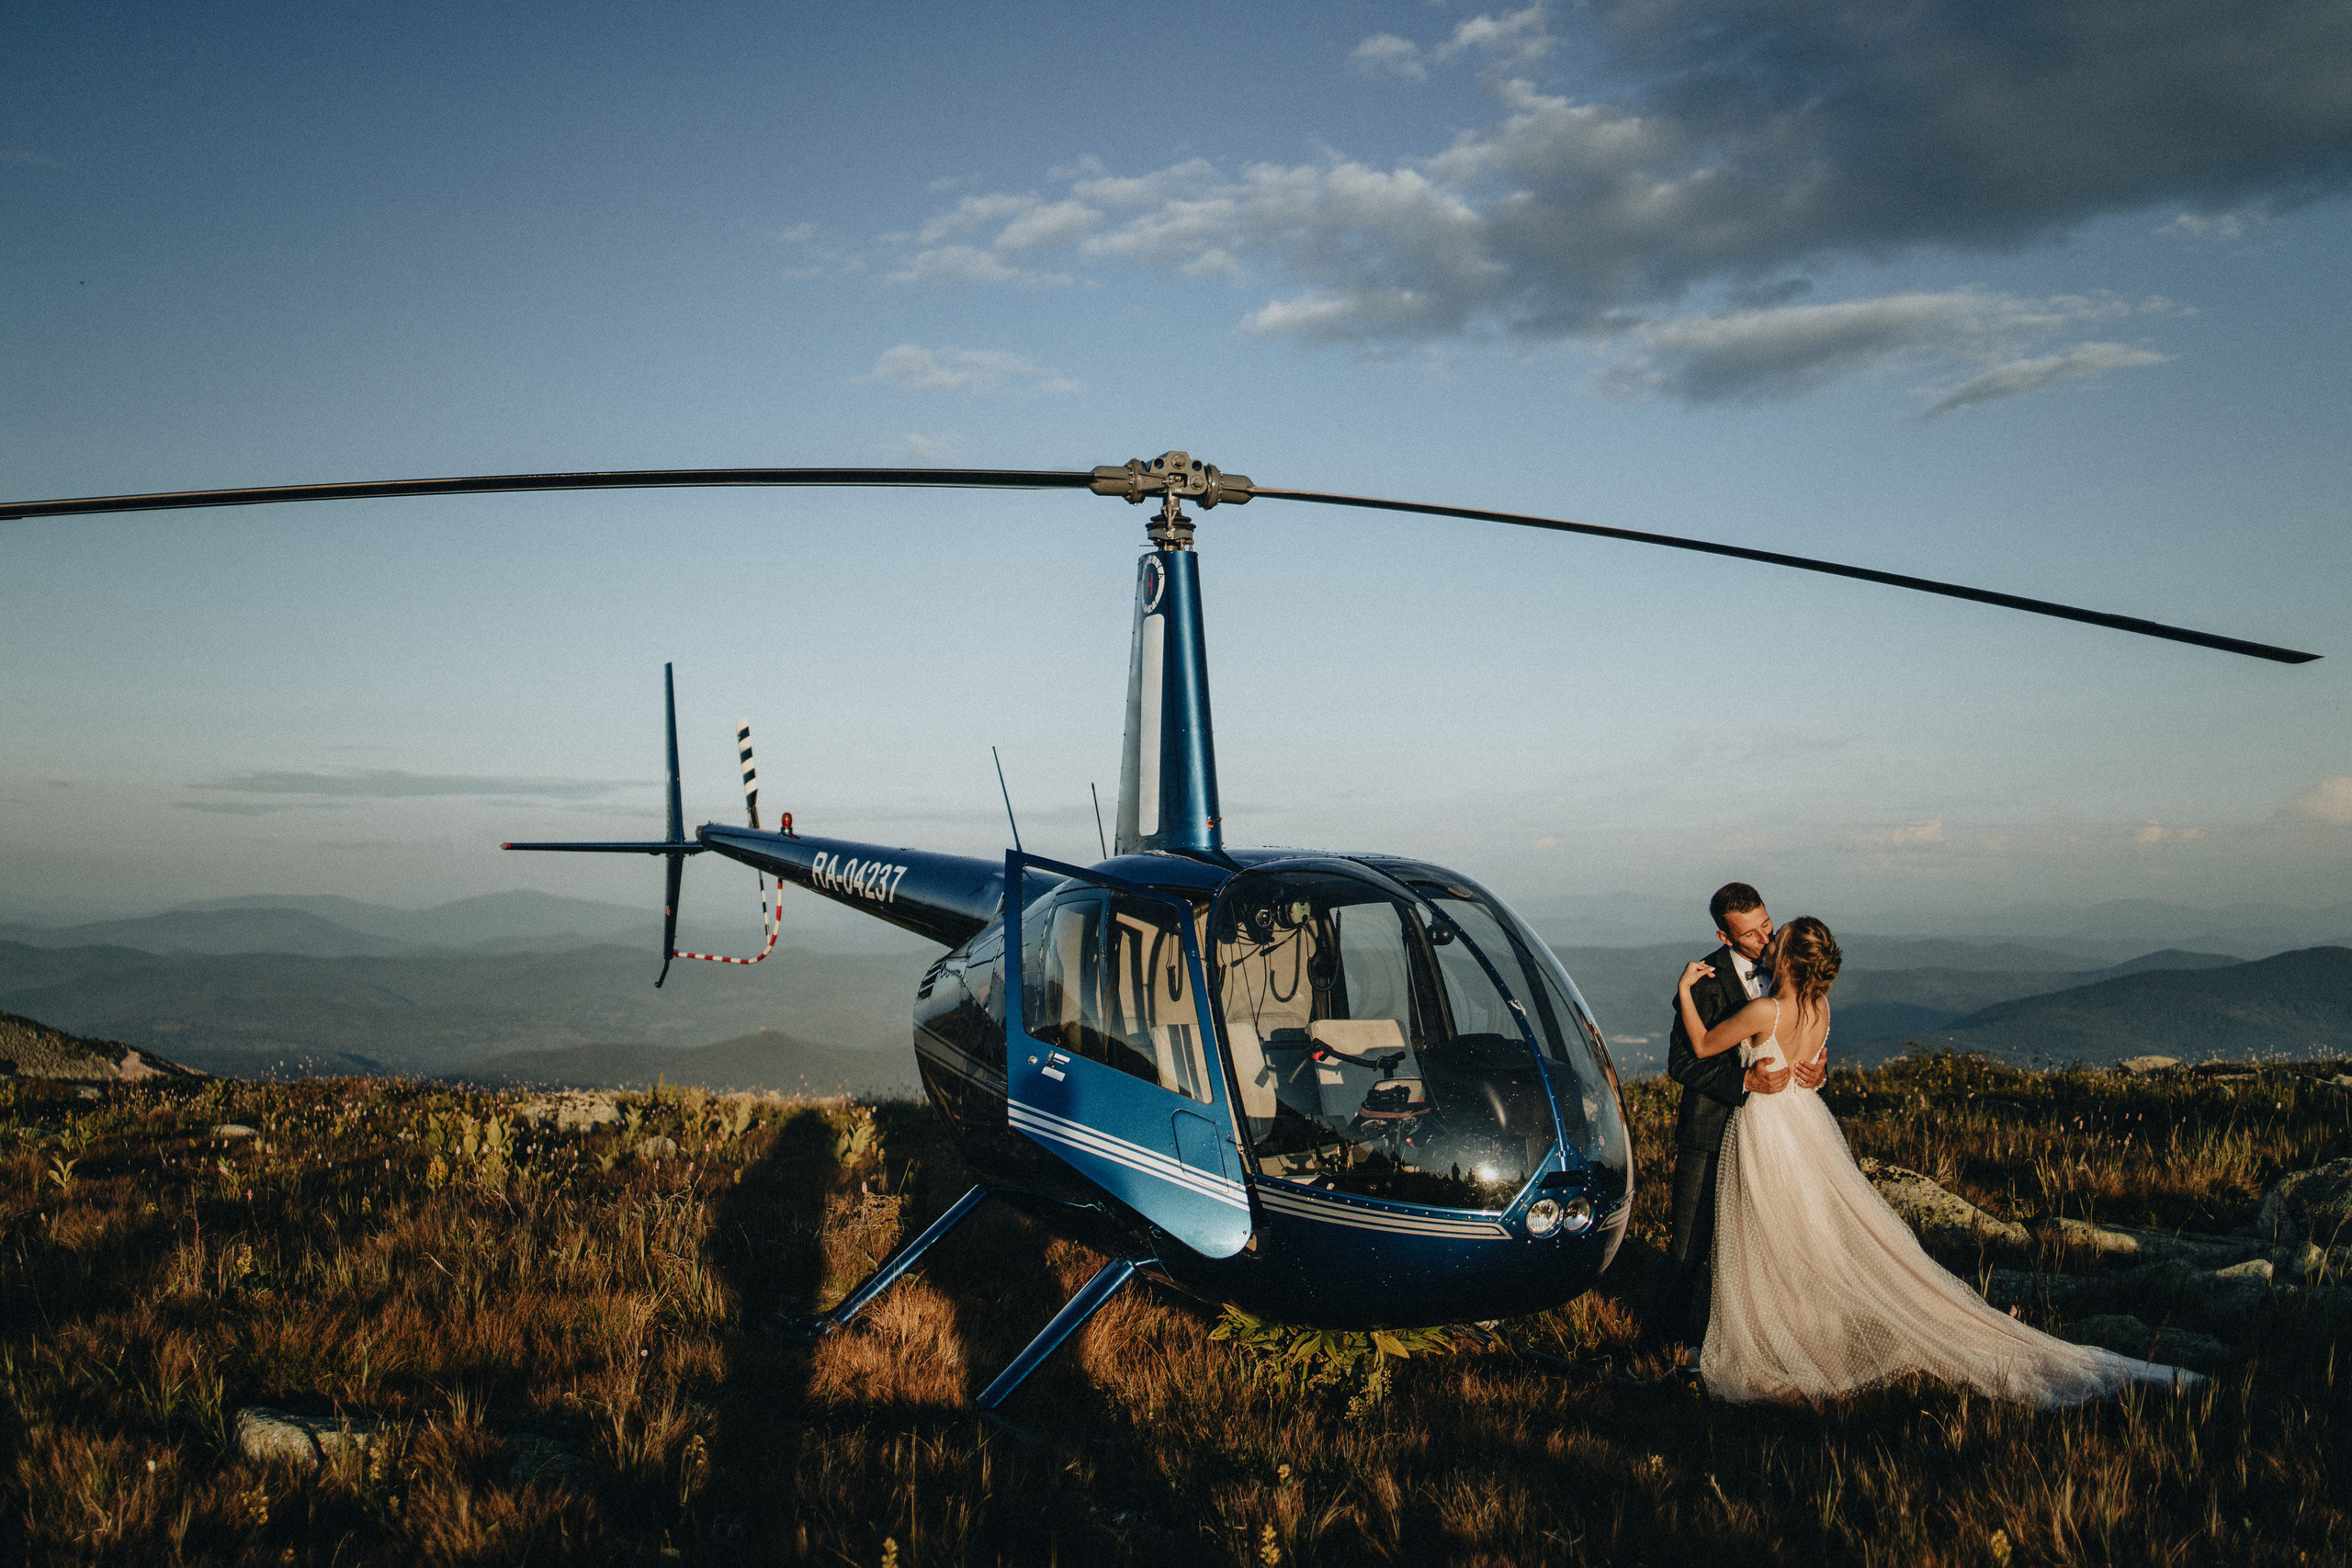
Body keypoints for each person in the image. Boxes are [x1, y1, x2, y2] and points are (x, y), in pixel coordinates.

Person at [1677, 916, 2200, 1404]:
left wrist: (1683, 990)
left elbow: (1701, 1046)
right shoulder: (1822, 1011)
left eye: (1776, 938)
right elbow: (1804, 1061)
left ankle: (1777, 1339)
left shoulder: (1765, 1011)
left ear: (1788, 959)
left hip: (1769, 1127)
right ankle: (1801, 1332)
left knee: (1768, 1232)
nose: (1768, 942)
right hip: (1806, 1124)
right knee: (1807, 1231)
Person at [1655, 883, 1824, 1362]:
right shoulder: (1705, 982)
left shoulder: (1791, 972)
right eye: (1750, 934)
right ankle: (1671, 1345)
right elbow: (1681, 1064)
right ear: (1725, 937)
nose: (1765, 939)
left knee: (1768, 1244)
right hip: (1710, 1132)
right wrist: (1743, 1081)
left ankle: (1751, 1341)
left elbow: (1803, 1037)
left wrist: (1817, 1071)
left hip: (1776, 1137)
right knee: (1690, 1244)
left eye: (1767, 925)